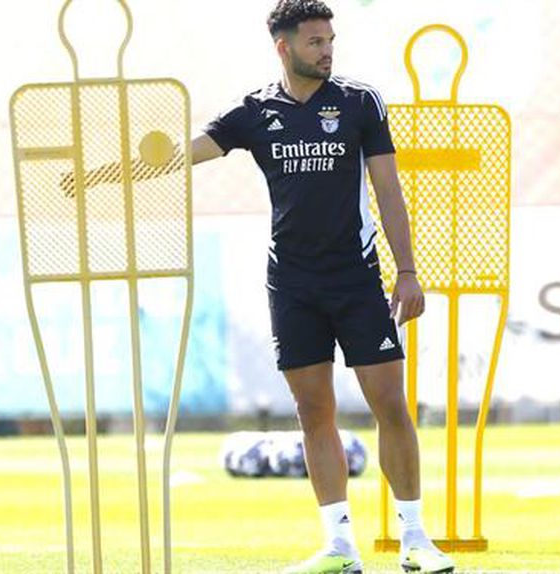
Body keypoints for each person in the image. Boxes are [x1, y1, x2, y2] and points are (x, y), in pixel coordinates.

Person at [66, 1, 454, 572]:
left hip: (357, 279)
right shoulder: (254, 112)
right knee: (312, 410)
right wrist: (101, 174)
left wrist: (409, 271)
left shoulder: (360, 102)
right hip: (291, 285)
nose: (327, 50)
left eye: (330, 40)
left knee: (391, 405)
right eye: (316, 42)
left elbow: (388, 190)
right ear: (284, 47)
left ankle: (415, 539)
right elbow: (181, 156)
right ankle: (339, 547)